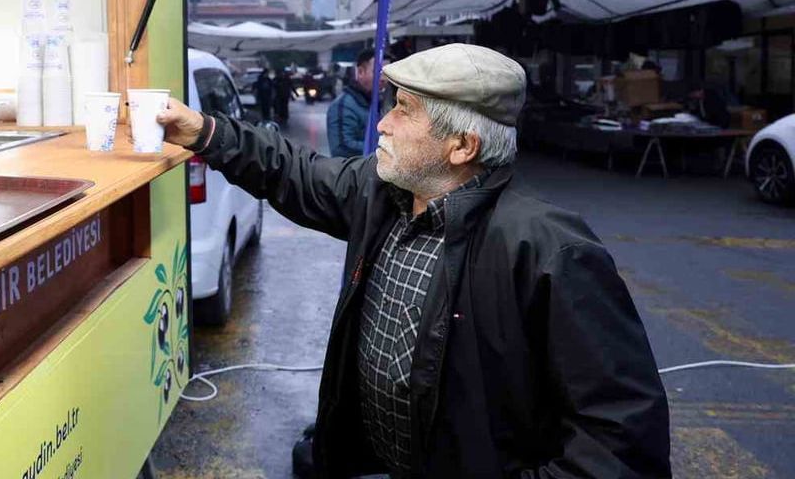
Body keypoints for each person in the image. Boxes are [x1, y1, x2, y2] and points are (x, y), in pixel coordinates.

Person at [157, 43, 670, 478]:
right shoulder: (382, 193)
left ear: (462, 146)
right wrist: (203, 131)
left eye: (404, 110)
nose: (383, 122)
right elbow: (292, 170)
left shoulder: (548, 251)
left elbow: (620, 442)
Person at [327, 49, 390, 158]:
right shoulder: (343, 106)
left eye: (387, 73)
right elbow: (341, 148)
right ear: (360, 72)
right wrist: (387, 149)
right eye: (379, 72)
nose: (383, 79)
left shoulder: (381, 102)